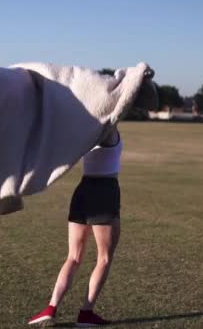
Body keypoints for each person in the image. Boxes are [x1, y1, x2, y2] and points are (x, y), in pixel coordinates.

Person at [28, 126, 122, 327]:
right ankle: (86, 313)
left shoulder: (85, 132)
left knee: (73, 256)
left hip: (83, 190)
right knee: (104, 258)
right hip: (104, 191)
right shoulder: (108, 130)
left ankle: (51, 307)